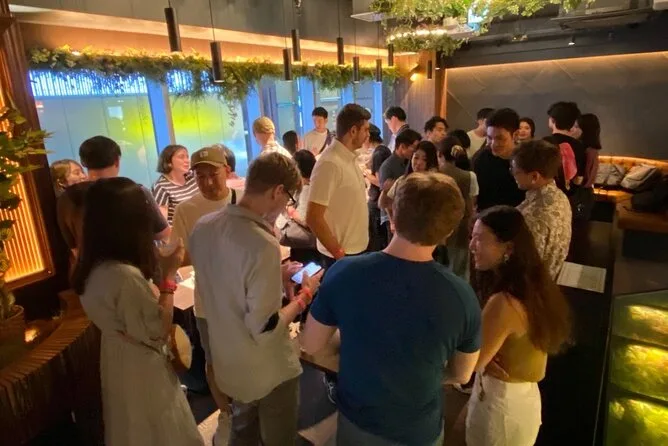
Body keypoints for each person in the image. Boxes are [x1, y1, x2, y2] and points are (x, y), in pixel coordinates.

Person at [302, 172, 481, 446]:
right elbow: (462, 374)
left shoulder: (344, 272)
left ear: (392, 214)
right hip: (419, 430)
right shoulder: (462, 296)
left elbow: (312, 344)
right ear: (449, 231)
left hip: (357, 421)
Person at [189, 152, 321, 446]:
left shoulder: (203, 227)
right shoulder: (261, 243)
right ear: (277, 191)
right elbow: (265, 328)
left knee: (243, 427)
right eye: (288, 199)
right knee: (278, 437)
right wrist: (304, 296)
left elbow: (226, 284)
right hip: (265, 367)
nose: (285, 207)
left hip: (227, 359)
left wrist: (276, 276)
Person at [72, 177, 203, 446]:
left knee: (130, 425)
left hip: (116, 356)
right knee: (161, 427)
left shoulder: (89, 268)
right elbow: (157, 329)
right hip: (143, 364)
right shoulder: (124, 276)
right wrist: (168, 277)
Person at [467, 206, 572, 446]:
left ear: (508, 248)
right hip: (520, 399)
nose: (472, 245)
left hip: (500, 407)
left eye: (480, 239)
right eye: (472, 237)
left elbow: (471, 362)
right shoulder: (532, 286)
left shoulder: (504, 303)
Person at [170, 145, 244, 423]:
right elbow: (178, 256)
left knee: (246, 356)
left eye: (213, 174)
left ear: (227, 170)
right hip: (208, 303)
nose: (208, 182)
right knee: (215, 361)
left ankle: (249, 410)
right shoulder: (186, 210)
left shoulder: (244, 200)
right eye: (200, 176)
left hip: (244, 298)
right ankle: (226, 414)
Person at [57, 136, 169, 265]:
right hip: (138, 269)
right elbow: (162, 233)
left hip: (92, 273)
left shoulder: (66, 199)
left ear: (83, 162)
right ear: (117, 161)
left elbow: (74, 247)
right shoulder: (134, 191)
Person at [306, 103, 371, 267]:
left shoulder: (350, 157)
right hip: (342, 255)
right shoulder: (329, 163)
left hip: (356, 250)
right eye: (365, 130)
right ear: (353, 131)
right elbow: (313, 217)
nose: (368, 135)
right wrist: (338, 253)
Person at [512, 140, 572, 279]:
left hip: (534, 286)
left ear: (534, 176)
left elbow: (524, 267)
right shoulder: (560, 196)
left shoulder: (532, 217)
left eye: (516, 171)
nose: (513, 175)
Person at [437, 136, 479, 279]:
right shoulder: (469, 176)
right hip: (461, 229)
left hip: (435, 229)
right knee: (459, 273)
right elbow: (472, 203)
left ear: (439, 154)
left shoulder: (433, 174)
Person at [473, 108, 525, 212]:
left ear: (515, 135)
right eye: (489, 137)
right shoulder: (481, 158)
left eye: (500, 138)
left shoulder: (526, 160)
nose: (493, 144)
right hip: (486, 217)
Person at [378, 128, 422, 240]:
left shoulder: (408, 162)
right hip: (392, 217)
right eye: (414, 148)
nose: (415, 151)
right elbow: (386, 199)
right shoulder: (388, 166)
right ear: (402, 147)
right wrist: (392, 221)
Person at [543, 102, 586, 197]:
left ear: (552, 120)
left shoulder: (544, 143)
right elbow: (580, 177)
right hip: (571, 196)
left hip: (549, 195)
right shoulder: (579, 145)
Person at [285, 149, 320, 264]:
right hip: (316, 244)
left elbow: (306, 220)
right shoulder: (318, 183)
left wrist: (290, 210)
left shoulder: (306, 188)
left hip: (306, 248)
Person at [152, 144, 199, 224]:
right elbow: (163, 222)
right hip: (180, 229)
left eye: (187, 157)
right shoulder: (161, 186)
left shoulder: (193, 176)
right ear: (169, 162)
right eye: (181, 157)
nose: (187, 161)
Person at [363, 124, 392, 252]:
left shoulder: (378, 153)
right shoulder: (384, 149)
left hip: (376, 202)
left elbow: (380, 182)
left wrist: (365, 173)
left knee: (376, 238)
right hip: (381, 200)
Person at [571, 113, 602, 221]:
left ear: (585, 131)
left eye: (576, 127)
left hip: (581, 194)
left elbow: (583, 178)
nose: (572, 129)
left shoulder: (588, 151)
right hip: (584, 193)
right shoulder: (590, 150)